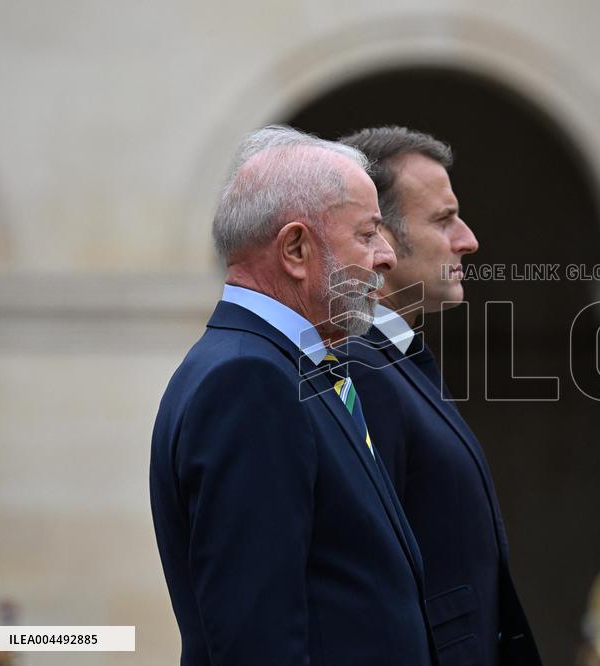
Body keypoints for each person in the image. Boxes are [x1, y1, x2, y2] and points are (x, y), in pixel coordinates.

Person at [149, 125, 435, 665]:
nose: (387, 256)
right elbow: (256, 639)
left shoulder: (285, 365)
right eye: (369, 233)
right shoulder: (248, 382)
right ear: (296, 249)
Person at [340, 126, 542, 666]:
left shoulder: (394, 359)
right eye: (443, 219)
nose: (468, 240)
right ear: (378, 238)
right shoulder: (359, 368)